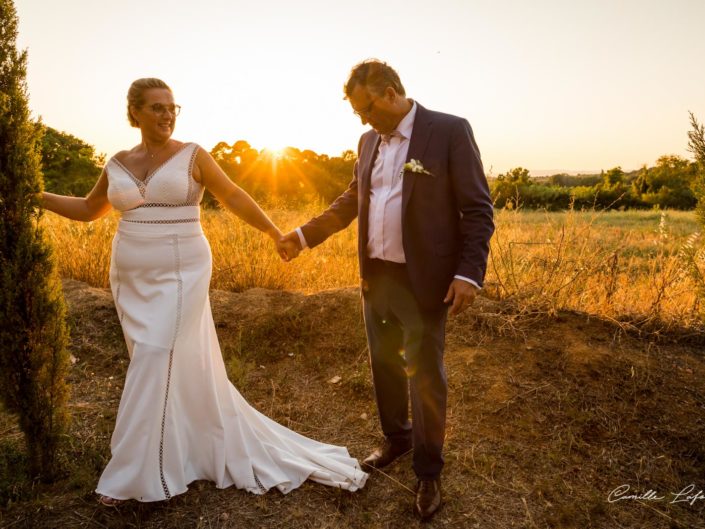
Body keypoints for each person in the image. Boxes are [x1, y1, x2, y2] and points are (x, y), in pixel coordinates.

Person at [42, 78, 367, 505]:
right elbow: (88, 210)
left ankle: (134, 477)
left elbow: (231, 194)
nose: (167, 114)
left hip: (183, 271)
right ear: (134, 112)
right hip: (130, 275)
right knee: (151, 360)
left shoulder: (192, 155)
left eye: (172, 107)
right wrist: (35, 194)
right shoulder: (117, 162)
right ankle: (179, 450)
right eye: (157, 107)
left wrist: (275, 233)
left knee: (156, 356)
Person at [277, 59, 494, 520]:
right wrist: (302, 236)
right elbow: (353, 199)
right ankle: (396, 438)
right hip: (376, 276)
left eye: (367, 107)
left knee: (426, 375)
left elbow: (478, 210)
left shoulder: (450, 131)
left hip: (426, 281)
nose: (362, 118)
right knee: (384, 365)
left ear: (392, 91)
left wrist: (468, 274)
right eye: (358, 111)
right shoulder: (367, 140)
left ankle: (429, 470)